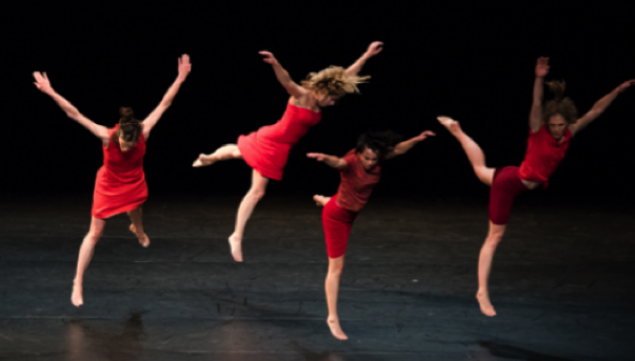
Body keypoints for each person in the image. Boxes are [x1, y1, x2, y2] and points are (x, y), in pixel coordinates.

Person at [438, 57, 634, 317]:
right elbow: (536, 103)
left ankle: (458, 131)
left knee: (479, 169)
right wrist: (539, 78)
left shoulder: (569, 134)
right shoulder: (537, 130)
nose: (555, 130)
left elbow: (596, 111)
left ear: (567, 122)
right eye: (551, 125)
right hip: (510, 184)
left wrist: (617, 91)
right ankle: (482, 291)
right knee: (493, 237)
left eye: (559, 125)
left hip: (514, 176)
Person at [192, 42, 384, 262]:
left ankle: (209, 157)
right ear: (324, 91)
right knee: (257, 191)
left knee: (238, 152)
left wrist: (367, 55)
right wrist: (276, 63)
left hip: (281, 146)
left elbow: (347, 75)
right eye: (332, 99)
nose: (332, 103)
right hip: (273, 140)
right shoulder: (302, 95)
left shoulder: (322, 99)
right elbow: (287, 81)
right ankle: (236, 235)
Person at [32, 54, 192, 307]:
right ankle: (78, 281)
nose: (128, 148)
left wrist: (181, 78)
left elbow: (165, 103)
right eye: (124, 145)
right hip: (108, 184)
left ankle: (138, 230)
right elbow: (74, 114)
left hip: (134, 181)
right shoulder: (106, 136)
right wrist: (50, 91)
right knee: (95, 233)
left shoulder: (144, 130)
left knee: (136, 206)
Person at [308, 129, 435, 340]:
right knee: (336, 269)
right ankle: (332, 317)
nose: (369, 162)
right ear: (358, 153)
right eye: (366, 158)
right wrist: (324, 158)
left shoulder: (376, 159)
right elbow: (337, 162)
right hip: (337, 217)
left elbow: (398, 149)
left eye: (374, 159)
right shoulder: (350, 161)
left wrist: (416, 139)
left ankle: (324, 200)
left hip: (350, 211)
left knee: (337, 201)